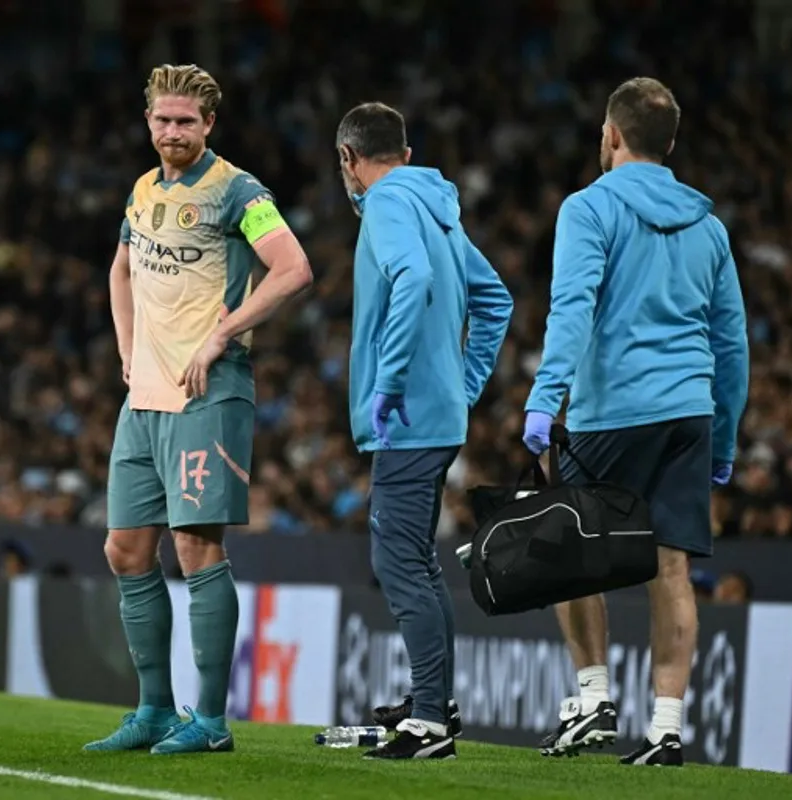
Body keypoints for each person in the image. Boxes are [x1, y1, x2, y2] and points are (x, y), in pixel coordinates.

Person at [84, 64, 313, 755]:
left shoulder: (239, 191)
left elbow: (295, 268)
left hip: (207, 393)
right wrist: (127, 348)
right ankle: (153, 710)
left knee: (196, 546)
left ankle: (210, 721)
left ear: (209, 125)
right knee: (124, 549)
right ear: (148, 121)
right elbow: (120, 268)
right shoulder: (143, 189)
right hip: (145, 396)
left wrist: (223, 333)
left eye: (186, 121)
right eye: (163, 120)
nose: (173, 132)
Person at [522, 77, 750, 767]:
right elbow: (731, 339)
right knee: (670, 569)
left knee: (572, 557)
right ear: (670, 143)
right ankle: (667, 727)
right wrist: (727, 435)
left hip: (613, 410)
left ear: (612, 136)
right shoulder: (709, 227)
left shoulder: (588, 209)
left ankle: (593, 701)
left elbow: (573, 306)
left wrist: (544, 397)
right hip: (689, 411)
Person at [337, 102, 513, 760]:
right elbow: (496, 297)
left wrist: (390, 381)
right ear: (406, 153)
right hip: (436, 415)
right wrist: (462, 387)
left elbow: (410, 278)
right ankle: (434, 701)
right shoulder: (439, 209)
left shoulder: (386, 204)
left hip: (407, 418)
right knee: (415, 561)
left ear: (350, 160)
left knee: (395, 560)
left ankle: (430, 722)